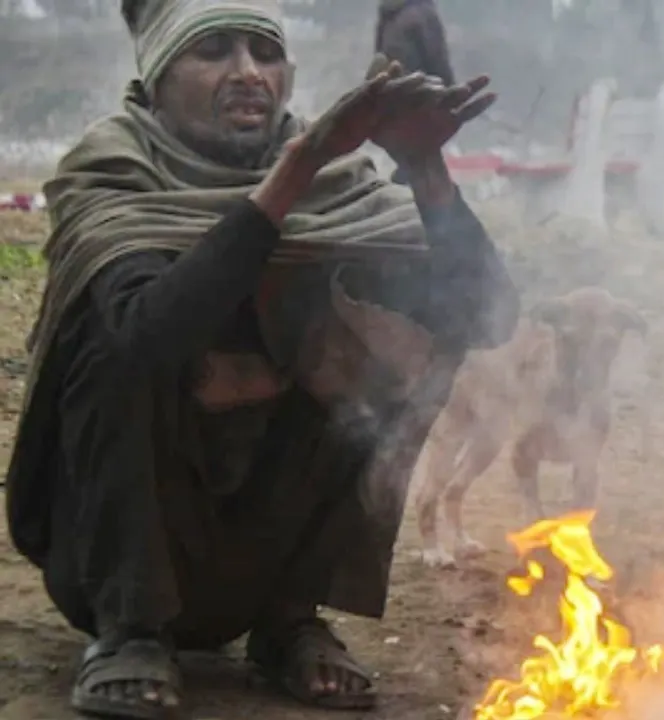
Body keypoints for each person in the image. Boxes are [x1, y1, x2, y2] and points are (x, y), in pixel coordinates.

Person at [4, 0, 520, 717]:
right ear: (157, 76)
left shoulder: (338, 186)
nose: (248, 73)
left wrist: (424, 168)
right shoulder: (112, 169)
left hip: (258, 547)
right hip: (110, 557)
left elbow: (483, 319)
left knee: (403, 336)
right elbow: (145, 339)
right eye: (214, 49)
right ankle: (132, 632)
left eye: (265, 53)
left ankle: (290, 621)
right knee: (108, 333)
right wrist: (292, 172)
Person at [375, 0, 457, 185]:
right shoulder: (422, 13)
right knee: (418, 163)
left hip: (394, 99)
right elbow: (438, 61)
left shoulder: (388, 14)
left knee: (409, 162)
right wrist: (452, 96)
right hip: (419, 98)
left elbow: (379, 60)